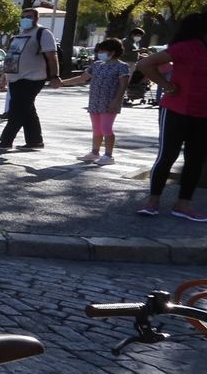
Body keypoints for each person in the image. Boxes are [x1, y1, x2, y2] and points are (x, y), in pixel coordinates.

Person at [137, 14, 207, 221]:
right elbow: (145, 64)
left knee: (196, 159)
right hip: (176, 110)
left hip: (203, 113)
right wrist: (166, 86)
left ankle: (183, 204)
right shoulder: (186, 47)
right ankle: (152, 202)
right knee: (167, 155)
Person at [0, 6, 60, 152]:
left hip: (33, 78)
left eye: (29, 17)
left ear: (36, 18)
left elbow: (51, 56)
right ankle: (35, 141)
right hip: (15, 79)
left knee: (17, 110)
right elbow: (10, 58)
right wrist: (4, 78)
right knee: (27, 110)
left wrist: (55, 76)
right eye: (23, 17)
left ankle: (6, 140)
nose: (25, 20)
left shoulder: (43, 33)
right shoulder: (18, 36)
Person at [54, 38, 129, 166]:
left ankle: (108, 155)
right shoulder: (97, 65)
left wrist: (116, 101)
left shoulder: (122, 67)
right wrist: (62, 83)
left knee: (106, 128)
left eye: (103, 51)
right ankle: (95, 152)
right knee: (96, 128)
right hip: (95, 101)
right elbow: (82, 78)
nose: (99, 53)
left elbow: (123, 85)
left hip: (109, 103)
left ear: (112, 52)